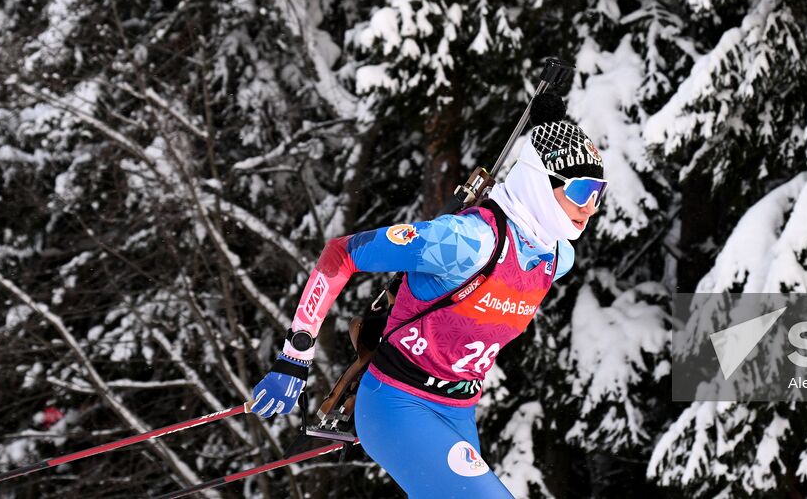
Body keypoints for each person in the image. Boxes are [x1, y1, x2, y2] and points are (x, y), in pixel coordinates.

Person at [246, 94, 606, 497]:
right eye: (581, 191)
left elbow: (531, 207)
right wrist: (295, 357)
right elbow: (341, 254)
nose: (590, 208)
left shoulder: (556, 256)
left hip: (458, 414)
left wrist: (549, 135)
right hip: (398, 405)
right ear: (539, 183)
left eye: (599, 193)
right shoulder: (465, 241)